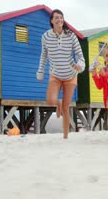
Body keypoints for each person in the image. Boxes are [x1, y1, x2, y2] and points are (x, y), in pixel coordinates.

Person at [37, 9, 85, 139]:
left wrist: (80, 66)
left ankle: (65, 136)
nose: (59, 20)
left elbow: (80, 56)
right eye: (56, 18)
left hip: (71, 75)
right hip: (55, 74)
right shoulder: (46, 36)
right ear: (52, 21)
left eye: (61, 17)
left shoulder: (71, 36)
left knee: (66, 108)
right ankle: (57, 103)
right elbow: (44, 55)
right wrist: (40, 70)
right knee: (51, 100)